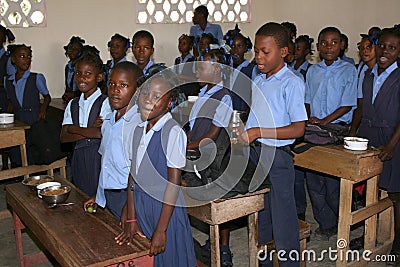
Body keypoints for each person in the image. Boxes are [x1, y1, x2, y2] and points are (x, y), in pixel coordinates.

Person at [233, 22, 307, 266]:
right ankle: (264, 262)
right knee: (261, 216)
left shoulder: (292, 82)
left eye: (266, 52)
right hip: (256, 154)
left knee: (283, 222)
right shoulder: (260, 80)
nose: (259, 57)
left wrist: (256, 132)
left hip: (277, 157)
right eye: (257, 51)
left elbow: (298, 129)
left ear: (283, 52)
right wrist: (244, 130)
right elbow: (258, 116)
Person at [115, 64, 196, 267]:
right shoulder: (138, 129)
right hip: (142, 208)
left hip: (164, 212)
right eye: (145, 94)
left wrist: (161, 231)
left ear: (169, 103)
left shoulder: (172, 132)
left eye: (157, 96)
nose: (148, 100)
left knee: (168, 260)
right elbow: (133, 177)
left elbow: (173, 184)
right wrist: (132, 218)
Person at [305, 26, 357, 239]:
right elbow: (307, 100)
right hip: (314, 130)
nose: (329, 47)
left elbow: (348, 104)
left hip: (336, 130)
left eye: (334, 42)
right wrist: (309, 119)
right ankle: (325, 223)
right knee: (314, 180)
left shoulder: (349, 70)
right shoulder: (312, 71)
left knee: (333, 183)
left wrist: (324, 121)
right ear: (317, 47)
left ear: (342, 45)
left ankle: (342, 221)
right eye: (324, 43)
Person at [185, 47, 233, 266]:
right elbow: (194, 126)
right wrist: (183, 139)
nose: (197, 71)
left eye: (202, 67)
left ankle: (224, 249)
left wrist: (188, 146)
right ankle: (209, 243)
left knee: (218, 205)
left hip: (213, 157)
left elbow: (212, 134)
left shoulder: (224, 97)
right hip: (197, 154)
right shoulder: (204, 93)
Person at [356, 26, 400, 259]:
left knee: (395, 194)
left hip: (392, 139)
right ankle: (367, 234)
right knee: (367, 190)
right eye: (381, 45)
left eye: (392, 48)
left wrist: (392, 145)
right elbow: (363, 109)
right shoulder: (369, 74)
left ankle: (397, 243)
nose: (385, 51)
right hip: (369, 137)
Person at [83, 62, 143, 221]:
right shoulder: (108, 122)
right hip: (110, 195)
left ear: (136, 91)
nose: (116, 90)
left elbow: (140, 173)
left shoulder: (139, 124)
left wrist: (130, 210)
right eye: (112, 84)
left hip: (129, 198)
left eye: (123, 85)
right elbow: (107, 164)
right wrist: (99, 195)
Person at [60, 49, 112, 197]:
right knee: (80, 197)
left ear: (99, 77)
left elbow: (101, 133)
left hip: (99, 160)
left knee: (98, 199)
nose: (82, 78)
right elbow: (63, 137)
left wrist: (73, 129)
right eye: (78, 73)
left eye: (88, 74)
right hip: (77, 158)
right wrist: (89, 131)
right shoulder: (72, 104)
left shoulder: (106, 103)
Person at [5, 44, 51, 166]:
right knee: (16, 148)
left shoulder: (36, 78)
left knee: (32, 148)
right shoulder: (8, 81)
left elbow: (47, 97)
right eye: (22, 56)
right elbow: (10, 100)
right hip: (18, 118)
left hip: (33, 117)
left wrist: (43, 110)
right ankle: (20, 175)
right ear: (13, 60)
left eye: (29, 56)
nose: (27, 59)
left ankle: (33, 175)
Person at [224, 24, 255, 113]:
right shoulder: (226, 68)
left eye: (239, 46)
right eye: (233, 46)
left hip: (241, 112)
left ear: (246, 48)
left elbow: (254, 95)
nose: (235, 50)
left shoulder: (251, 69)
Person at [0, 25, 15, 170]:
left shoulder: (7, 58)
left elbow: (10, 80)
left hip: (3, 97)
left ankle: (5, 165)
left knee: (5, 133)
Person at [62, 36, 85, 103]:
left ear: (80, 52)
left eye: (76, 49)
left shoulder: (82, 67)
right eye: (70, 48)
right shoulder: (68, 67)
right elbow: (68, 87)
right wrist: (66, 95)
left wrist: (74, 94)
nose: (72, 51)